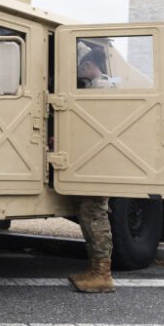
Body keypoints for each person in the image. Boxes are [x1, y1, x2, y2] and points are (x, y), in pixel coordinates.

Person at [68, 51, 116, 293]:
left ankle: (103, 275)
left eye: (80, 67)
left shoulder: (100, 87)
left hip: (97, 159)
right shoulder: (100, 85)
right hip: (96, 158)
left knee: (95, 214)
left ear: (88, 64)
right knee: (90, 213)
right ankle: (96, 270)